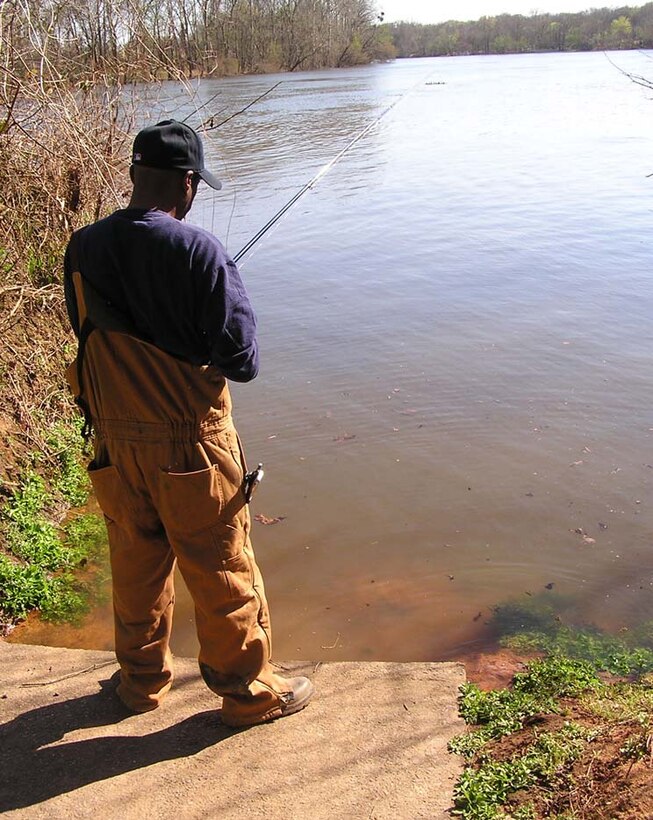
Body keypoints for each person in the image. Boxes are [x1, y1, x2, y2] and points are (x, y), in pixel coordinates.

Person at [63, 119, 313, 727]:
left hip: (115, 443)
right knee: (221, 567)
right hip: (190, 446)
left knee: (135, 563)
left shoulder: (82, 247)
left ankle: (140, 683)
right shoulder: (200, 251)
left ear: (131, 176)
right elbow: (242, 360)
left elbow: (86, 331)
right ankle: (249, 694)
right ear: (187, 185)